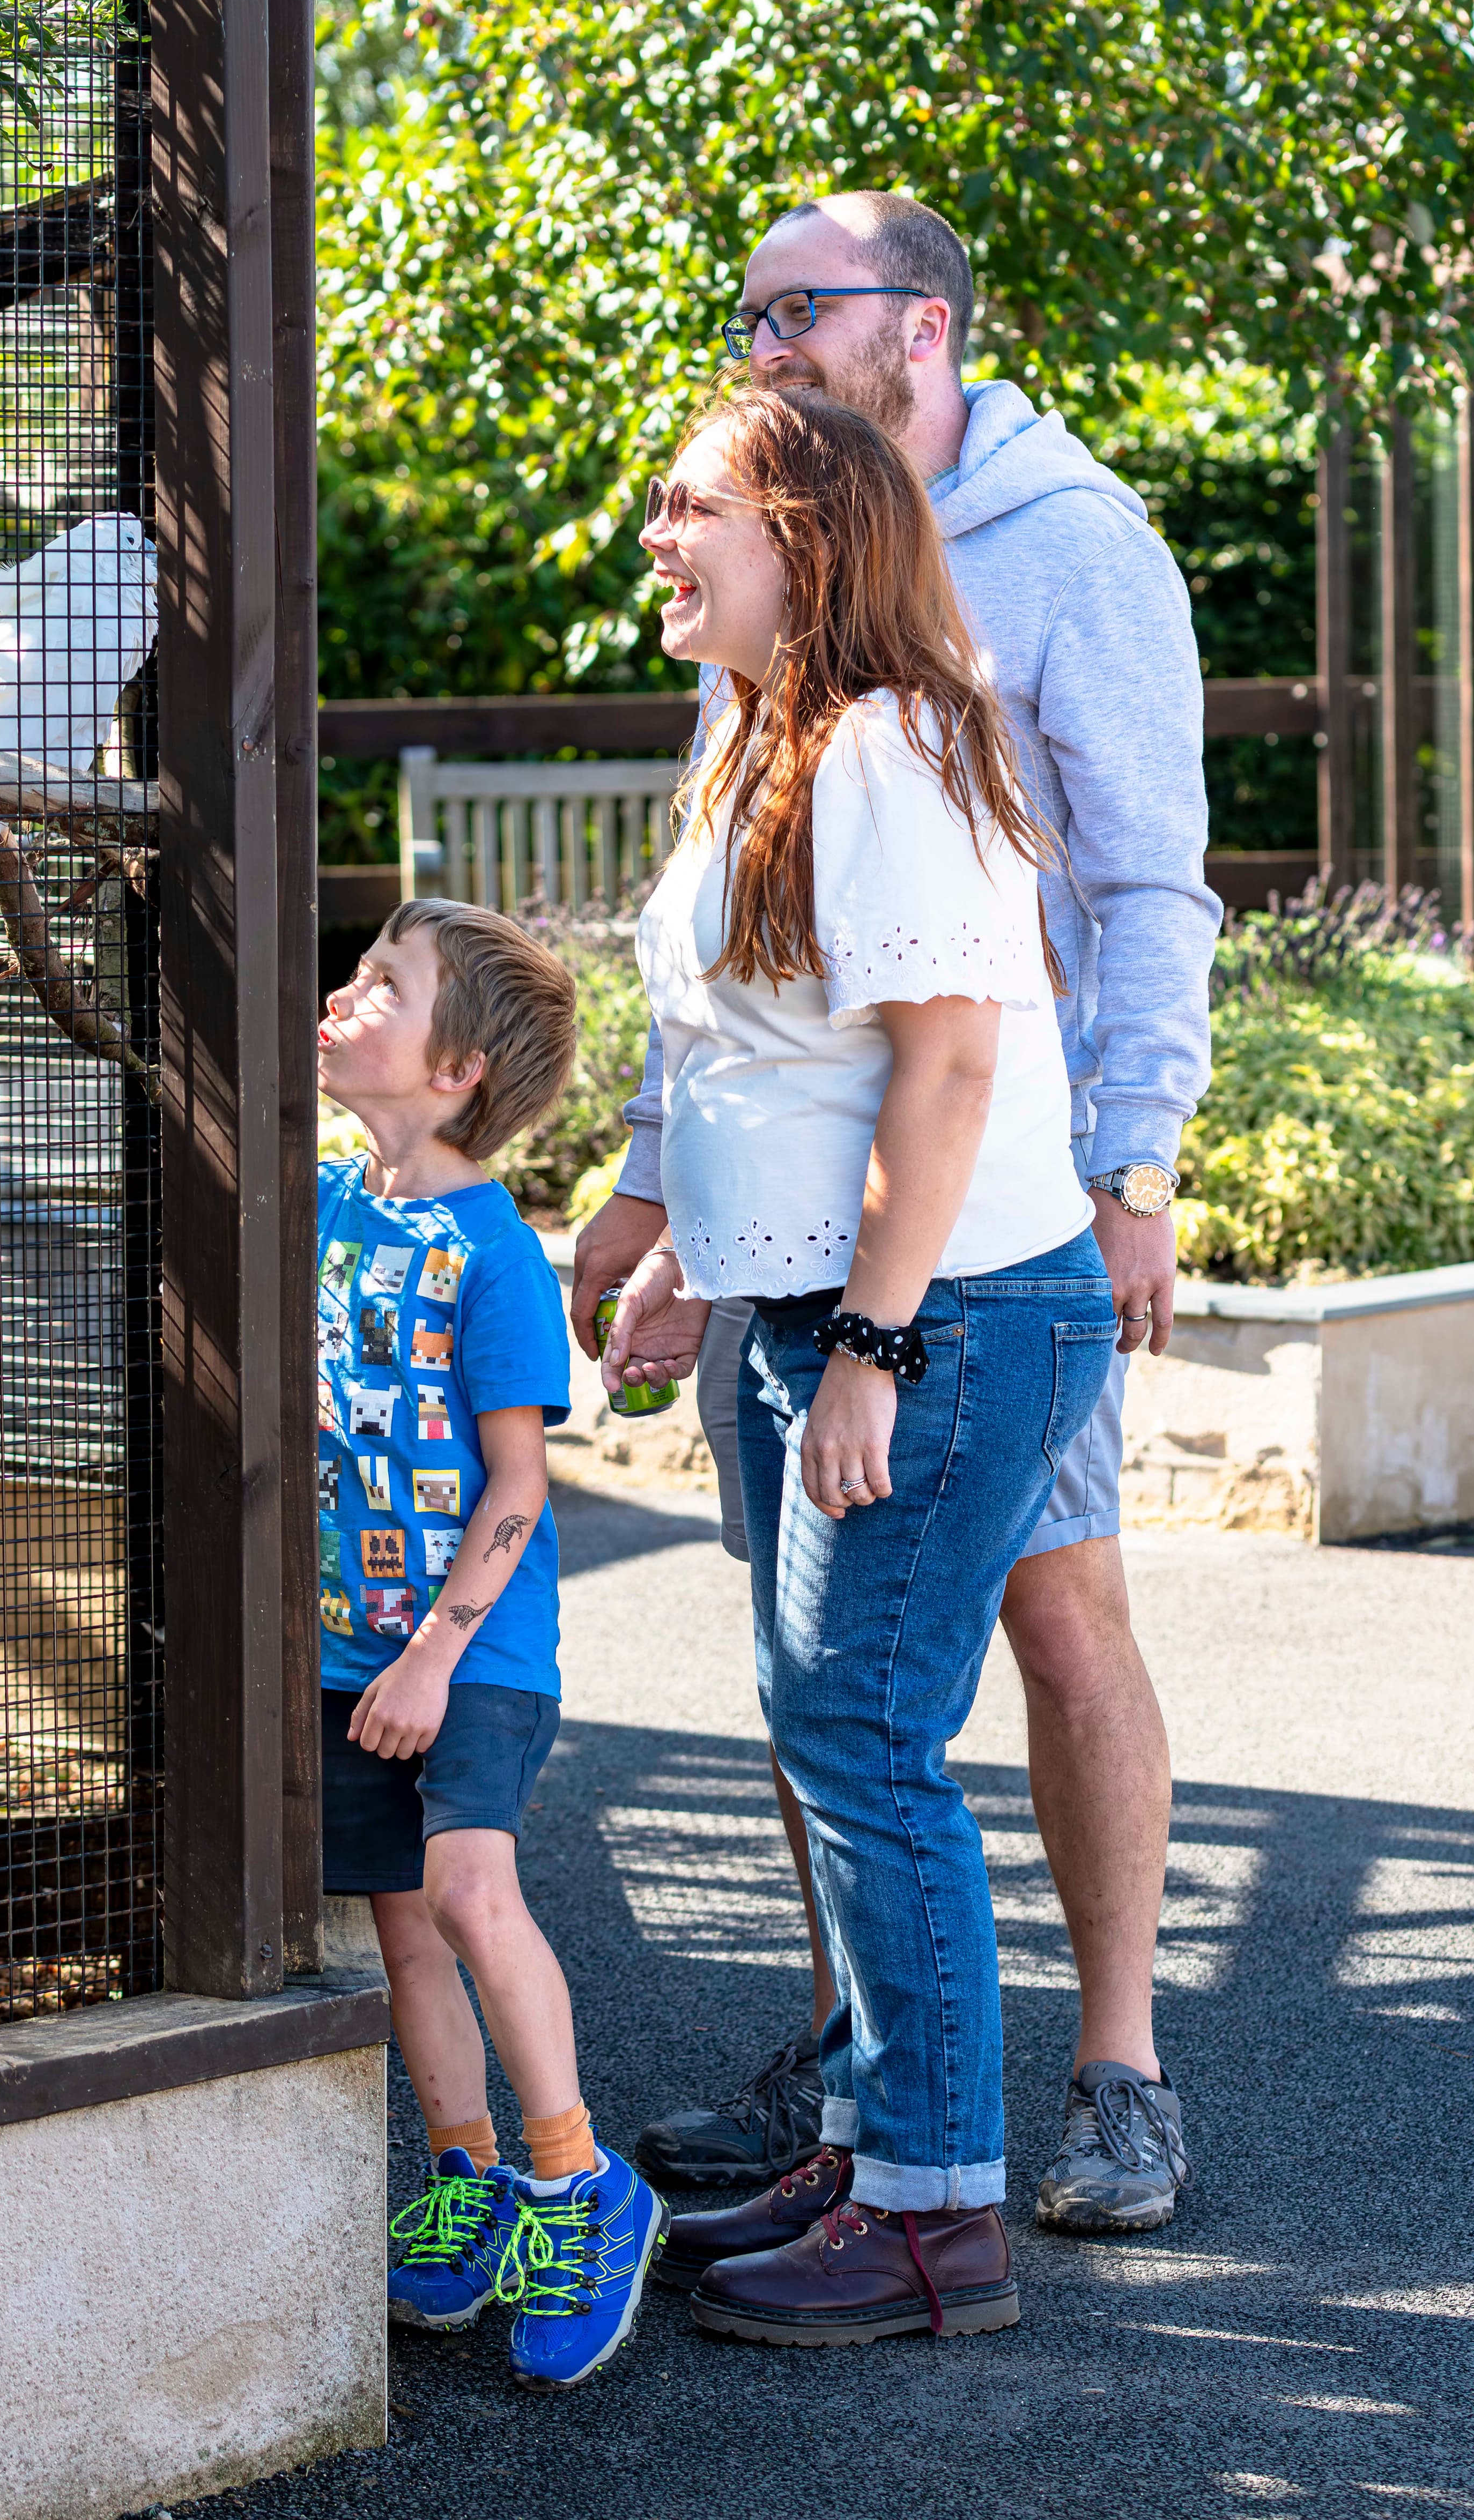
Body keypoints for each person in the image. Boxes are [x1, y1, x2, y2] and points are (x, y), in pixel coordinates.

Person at [574, 189, 1218, 2235]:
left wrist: (1134, 1167)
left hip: (993, 1216)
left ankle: (1113, 2068)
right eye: (746, 304)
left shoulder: (1072, 550)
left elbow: (1144, 891)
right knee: (820, 1677)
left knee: (1053, 1617)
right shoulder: (770, 592)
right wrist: (671, 1181)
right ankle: (872, 2066)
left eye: (799, 306)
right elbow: (747, 946)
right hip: (812, 1230)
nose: (761, 333)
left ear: (920, 325)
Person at [604, 383, 1118, 2347]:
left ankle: (929, 2216)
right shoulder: (761, 731)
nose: (656, 539)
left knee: (869, 1755)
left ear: (805, 537)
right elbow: (762, 1051)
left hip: (949, 1320)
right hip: (818, 1311)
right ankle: (866, 2136)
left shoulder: (895, 744)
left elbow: (956, 1061)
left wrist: (873, 1345)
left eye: (687, 508)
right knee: (829, 1735)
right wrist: (700, 1269)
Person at [315, 900, 668, 2392]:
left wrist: (433, 1653)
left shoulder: (495, 1253)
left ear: (455, 1069)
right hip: (347, 1653)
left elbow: (520, 1486)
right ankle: (462, 2178)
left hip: (473, 1653)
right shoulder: (326, 1206)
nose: (345, 992)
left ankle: (578, 2182)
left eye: (382, 985)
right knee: (397, 1919)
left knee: (466, 1887)